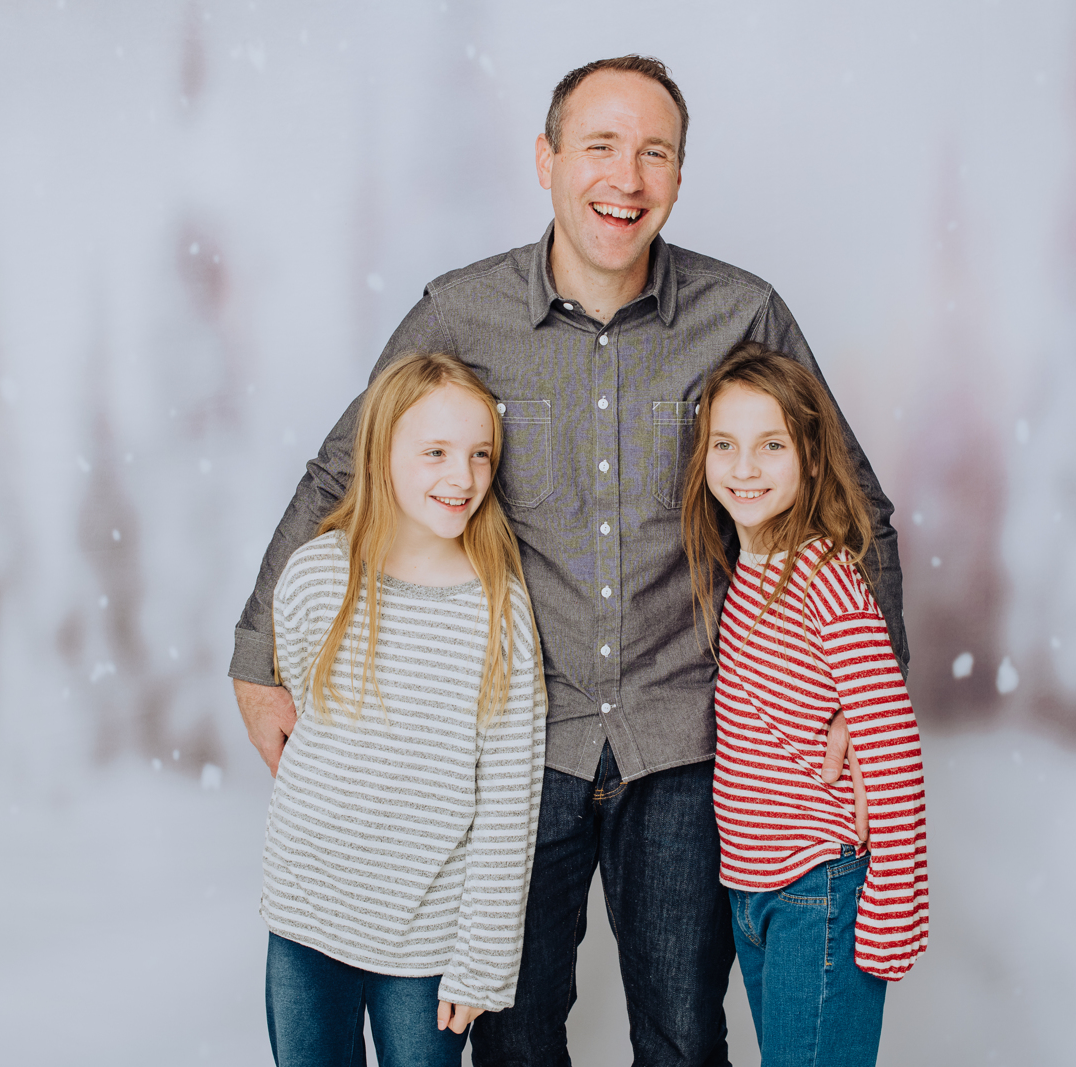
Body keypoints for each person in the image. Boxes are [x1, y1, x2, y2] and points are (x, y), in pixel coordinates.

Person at [232, 55, 909, 1065]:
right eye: (598, 147)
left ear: (679, 176)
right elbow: (346, 468)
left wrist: (868, 698)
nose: (623, 178)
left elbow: (856, 509)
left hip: (685, 738)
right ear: (545, 160)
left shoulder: (743, 313)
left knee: (682, 1033)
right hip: (520, 743)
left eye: (653, 153)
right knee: (511, 1033)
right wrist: (258, 655)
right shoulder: (461, 312)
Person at [261, 352, 545, 1067]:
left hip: (424, 942)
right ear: (382, 453)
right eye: (437, 453)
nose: (463, 477)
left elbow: (510, 798)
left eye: (481, 455)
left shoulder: (498, 606)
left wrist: (483, 959)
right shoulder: (320, 575)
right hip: (305, 919)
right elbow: (307, 703)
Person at [682, 343, 927, 1067]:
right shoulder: (741, 569)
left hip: (820, 891)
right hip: (752, 893)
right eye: (724, 445)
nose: (744, 467)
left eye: (771, 446)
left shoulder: (827, 579)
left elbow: (889, 738)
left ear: (813, 459)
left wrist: (891, 907)